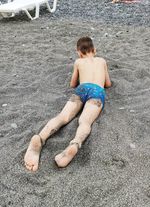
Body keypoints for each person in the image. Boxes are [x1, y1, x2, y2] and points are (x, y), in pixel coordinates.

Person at [24, 37, 111, 171]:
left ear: (79, 53)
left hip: (82, 89)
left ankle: (40, 138)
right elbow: (108, 84)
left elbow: (72, 84)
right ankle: (75, 144)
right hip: (97, 92)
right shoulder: (102, 61)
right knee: (84, 121)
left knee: (62, 117)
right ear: (95, 50)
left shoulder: (78, 62)